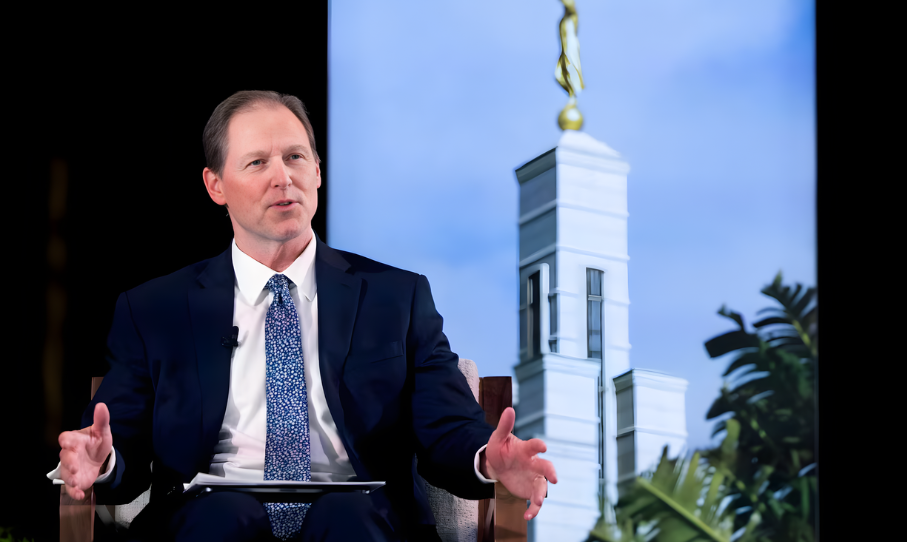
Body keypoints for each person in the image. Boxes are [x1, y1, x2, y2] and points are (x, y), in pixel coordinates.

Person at [51, 90, 557, 542]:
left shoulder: (396, 297)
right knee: (222, 514)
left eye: (295, 157)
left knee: (346, 515)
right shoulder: (154, 310)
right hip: (208, 514)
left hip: (360, 514)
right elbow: (121, 443)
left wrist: (487, 459)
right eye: (257, 163)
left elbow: (446, 427)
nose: (283, 177)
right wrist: (103, 461)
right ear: (215, 185)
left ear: (316, 170)